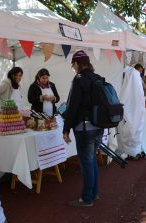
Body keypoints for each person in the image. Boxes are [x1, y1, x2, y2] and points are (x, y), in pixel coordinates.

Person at [62, 50, 104, 207]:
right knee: (91, 160)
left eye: (73, 64)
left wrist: (66, 129)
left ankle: (87, 198)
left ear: (78, 64)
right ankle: (94, 193)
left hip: (84, 128)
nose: (73, 68)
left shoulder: (79, 79)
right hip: (98, 126)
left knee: (87, 162)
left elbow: (72, 106)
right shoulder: (97, 78)